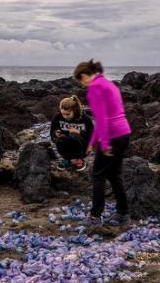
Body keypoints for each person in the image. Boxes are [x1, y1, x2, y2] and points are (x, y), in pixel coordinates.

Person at [73, 59, 131, 226]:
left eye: (80, 81)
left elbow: (102, 118)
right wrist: (93, 141)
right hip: (124, 133)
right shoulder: (108, 84)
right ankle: (123, 213)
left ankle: (95, 216)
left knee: (98, 175)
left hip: (112, 136)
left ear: (84, 76)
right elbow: (106, 116)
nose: (82, 85)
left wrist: (104, 144)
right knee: (114, 175)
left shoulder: (94, 88)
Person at [50, 96, 93, 171]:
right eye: (63, 113)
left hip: (82, 147)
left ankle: (79, 160)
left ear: (74, 111)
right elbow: (52, 134)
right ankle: (67, 159)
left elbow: (92, 135)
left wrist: (79, 132)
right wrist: (56, 134)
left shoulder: (85, 119)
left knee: (73, 135)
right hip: (66, 147)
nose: (65, 116)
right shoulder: (57, 118)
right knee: (60, 139)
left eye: (68, 114)